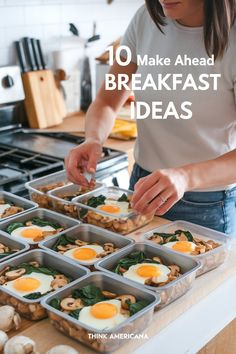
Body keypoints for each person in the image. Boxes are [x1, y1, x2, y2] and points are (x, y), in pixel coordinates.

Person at [65, 0, 236, 236]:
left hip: (205, 204)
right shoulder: (146, 18)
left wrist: (185, 176)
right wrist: (93, 139)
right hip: (140, 187)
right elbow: (106, 101)